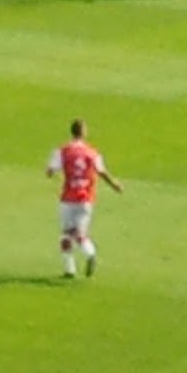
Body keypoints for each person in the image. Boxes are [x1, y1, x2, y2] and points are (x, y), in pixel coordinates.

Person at [45, 119, 123, 279]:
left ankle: (72, 267)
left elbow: (50, 171)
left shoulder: (63, 151)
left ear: (71, 132)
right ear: (84, 133)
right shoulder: (92, 152)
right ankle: (88, 254)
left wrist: (52, 174)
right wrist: (114, 184)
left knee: (66, 234)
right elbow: (102, 172)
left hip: (68, 199)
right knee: (79, 234)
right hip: (86, 199)